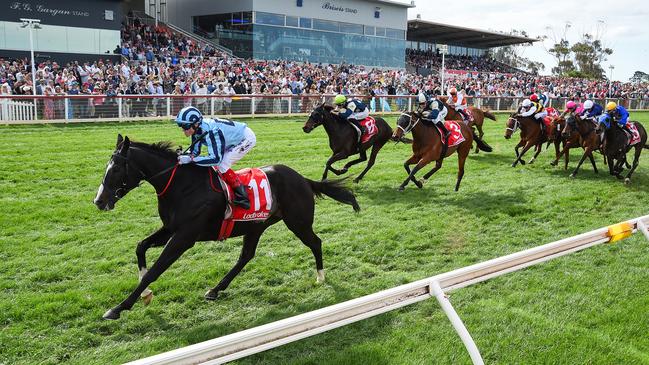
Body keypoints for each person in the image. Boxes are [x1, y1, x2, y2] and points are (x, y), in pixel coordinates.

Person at [174, 106, 256, 209]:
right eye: (180, 126)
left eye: (185, 126)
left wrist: (191, 159)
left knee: (222, 164)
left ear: (195, 124)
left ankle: (243, 197)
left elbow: (215, 159)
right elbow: (195, 152)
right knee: (217, 164)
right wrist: (184, 156)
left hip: (245, 139)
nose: (183, 130)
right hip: (231, 139)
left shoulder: (211, 131)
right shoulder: (198, 129)